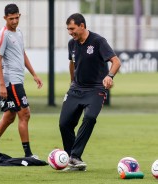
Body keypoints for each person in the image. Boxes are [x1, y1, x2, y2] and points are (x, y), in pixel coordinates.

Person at [0, 3, 43, 161]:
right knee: (25, 114)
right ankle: (28, 154)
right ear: (5, 18)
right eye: (11, 18)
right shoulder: (4, 34)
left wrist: (34, 74)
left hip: (17, 79)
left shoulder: (19, 32)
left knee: (9, 117)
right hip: (11, 81)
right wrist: (2, 84)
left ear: (19, 16)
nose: (14, 21)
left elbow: (22, 54)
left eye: (16, 18)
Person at [59, 13, 121, 171]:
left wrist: (110, 76)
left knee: (90, 117)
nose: (70, 32)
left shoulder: (98, 41)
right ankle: (72, 158)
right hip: (76, 89)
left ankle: (75, 156)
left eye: (72, 28)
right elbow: (72, 64)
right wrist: (72, 81)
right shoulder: (71, 44)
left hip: (95, 89)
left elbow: (116, 61)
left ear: (82, 25)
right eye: (68, 29)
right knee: (64, 124)